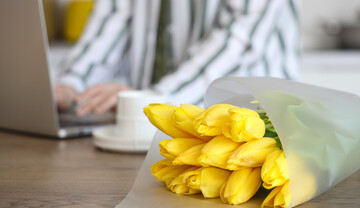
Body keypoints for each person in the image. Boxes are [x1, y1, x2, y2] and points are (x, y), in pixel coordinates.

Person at [55, 0, 300, 116]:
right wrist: (70, 86)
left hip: (253, 127)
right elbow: (112, 20)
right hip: (150, 127)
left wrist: (153, 100)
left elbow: (237, 44)